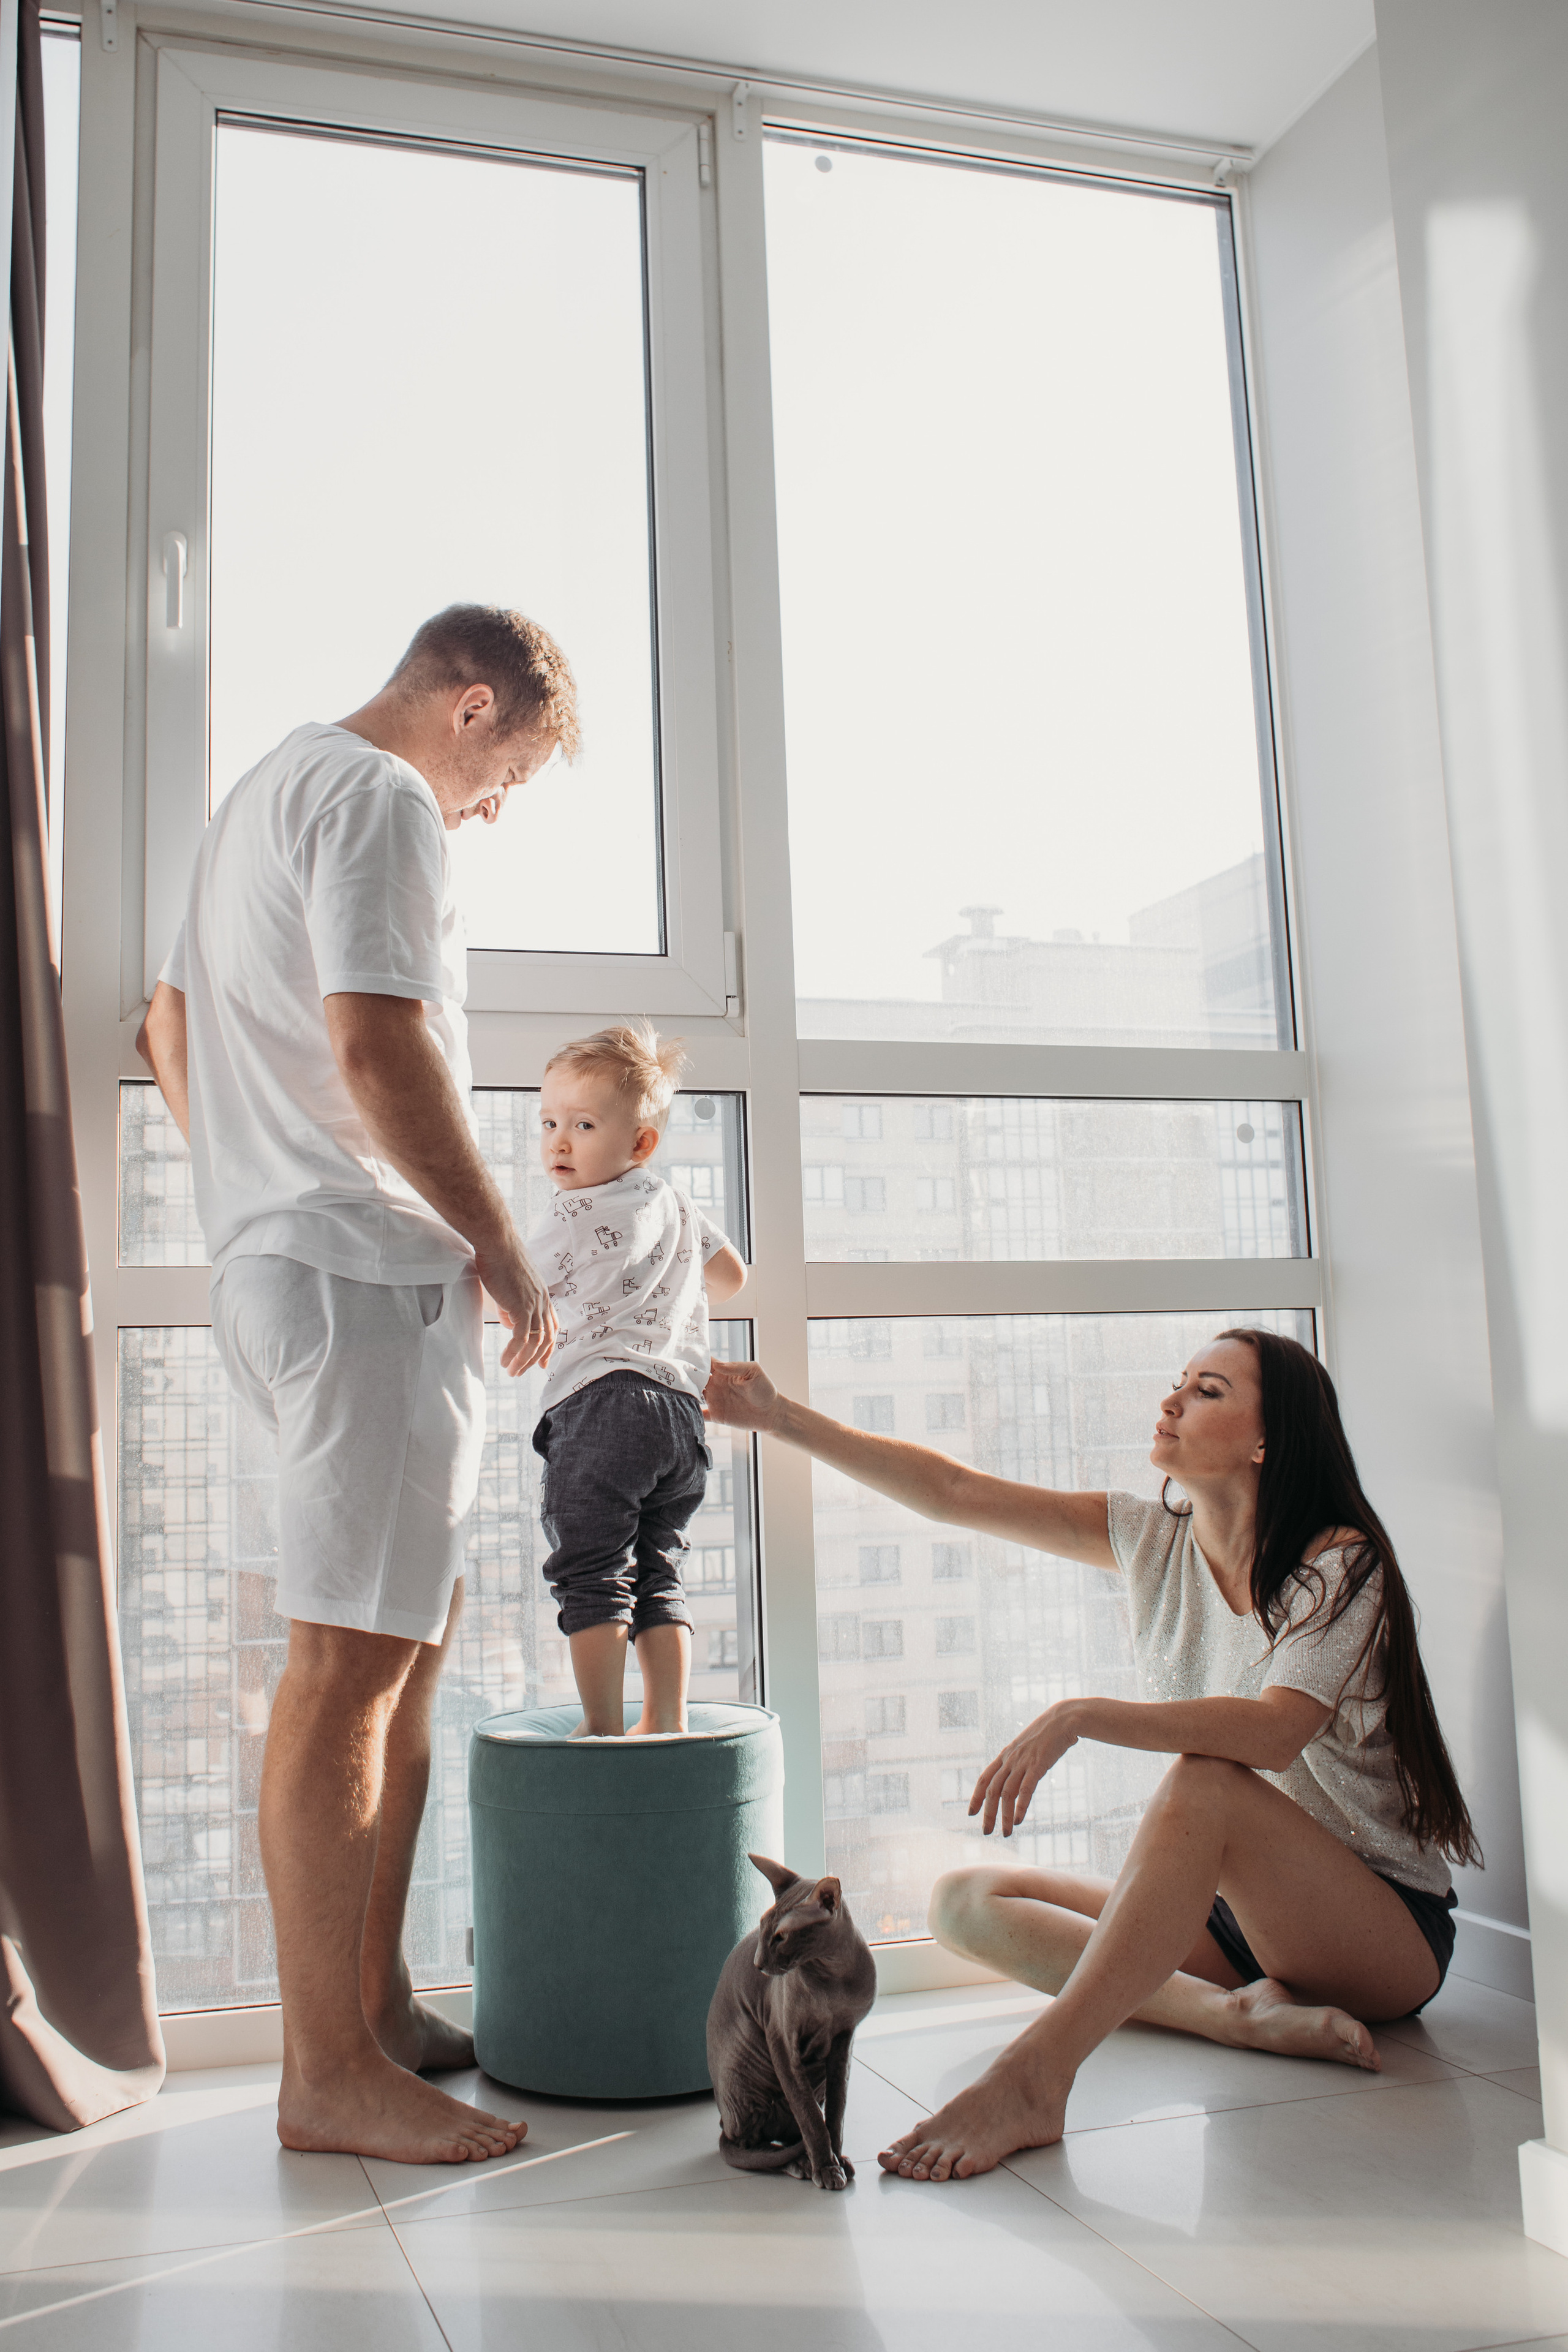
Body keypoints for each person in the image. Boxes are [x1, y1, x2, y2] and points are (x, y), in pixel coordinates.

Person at [137, 604, 575, 2165]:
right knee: (347, 1672)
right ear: (470, 708)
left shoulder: (261, 790)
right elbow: (383, 1044)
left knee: (398, 1647)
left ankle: (375, 2007)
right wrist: (505, 1250)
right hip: (359, 1278)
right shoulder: (385, 795)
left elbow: (167, 1023)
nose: (493, 810)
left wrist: (255, 1181)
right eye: (506, 773)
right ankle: (324, 2069)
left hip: (284, 1269)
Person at [704, 1325, 1480, 2182]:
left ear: (1270, 1439)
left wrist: (1082, 1714)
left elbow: (1272, 1732)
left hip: (1380, 1927)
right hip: (1242, 1927)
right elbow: (954, 1490)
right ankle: (1232, 2018)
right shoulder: (1153, 1540)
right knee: (963, 1900)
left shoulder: (1341, 1561)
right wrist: (780, 1419)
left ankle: (1037, 2075)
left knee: (1205, 1780)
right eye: (1180, 1381)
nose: (1172, 1399)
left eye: (1210, 1390)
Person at [530, 1024, 747, 1736]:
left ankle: (600, 1724)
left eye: (583, 1125)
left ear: (640, 1142)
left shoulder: (572, 1212)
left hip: (601, 1405)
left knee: (591, 1570)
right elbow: (731, 1278)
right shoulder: (676, 1202)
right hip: (681, 1417)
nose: (560, 1142)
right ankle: (667, 1719)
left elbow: (509, 1287)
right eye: (550, 1122)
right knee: (657, 1570)